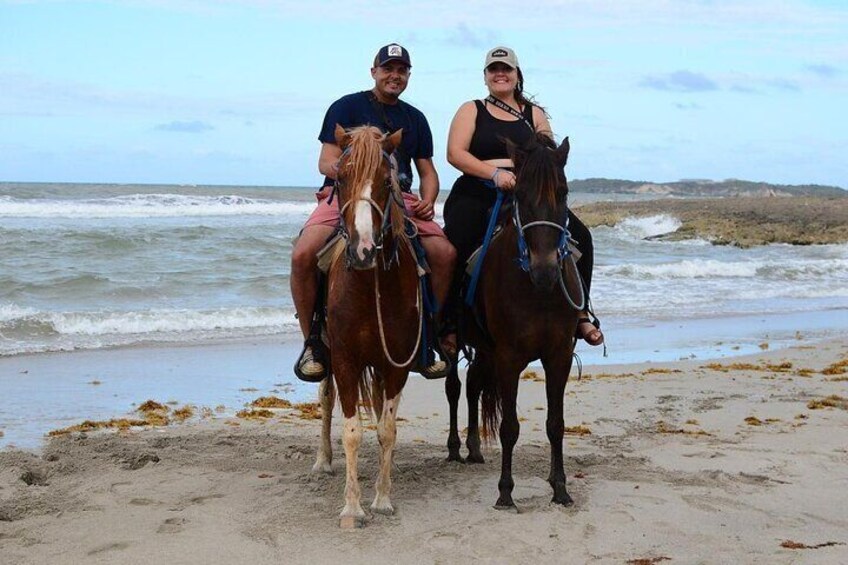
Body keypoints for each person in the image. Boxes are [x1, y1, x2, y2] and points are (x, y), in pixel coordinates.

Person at [291, 43, 457, 381]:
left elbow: (427, 171)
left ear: (408, 75)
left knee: (445, 253)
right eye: (388, 69)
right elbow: (325, 161)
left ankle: (429, 338)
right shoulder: (346, 106)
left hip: (398, 197)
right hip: (346, 194)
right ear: (374, 72)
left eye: (401, 70)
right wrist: (357, 173)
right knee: (303, 254)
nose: (394, 75)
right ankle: (312, 343)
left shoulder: (415, 118)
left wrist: (429, 198)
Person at [443, 46, 604, 347]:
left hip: (526, 194)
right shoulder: (471, 109)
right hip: (479, 190)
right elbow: (455, 153)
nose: (500, 74)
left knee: (582, 236)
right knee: (456, 243)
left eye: (507, 69)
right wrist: (495, 174)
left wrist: (524, 176)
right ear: (486, 76)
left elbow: (548, 156)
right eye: (494, 69)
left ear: (517, 75)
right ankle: (450, 323)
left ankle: (581, 313)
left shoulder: (534, 114)